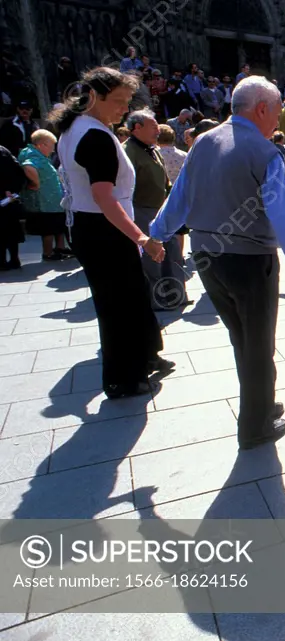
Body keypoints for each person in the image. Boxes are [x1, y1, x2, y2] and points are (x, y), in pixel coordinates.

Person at [149, 76, 285, 449]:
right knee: (257, 345)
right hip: (250, 261)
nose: (279, 120)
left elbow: (179, 198)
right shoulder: (264, 151)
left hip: (208, 259)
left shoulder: (204, 141)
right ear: (261, 108)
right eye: (276, 112)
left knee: (243, 338)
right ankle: (255, 427)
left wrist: (156, 234)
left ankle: (263, 404)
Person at [51, 67, 172, 398]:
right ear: (93, 97)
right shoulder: (95, 136)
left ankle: (146, 355)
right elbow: (104, 196)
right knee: (118, 305)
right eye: (118, 101)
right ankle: (124, 378)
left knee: (127, 298)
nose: (124, 109)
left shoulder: (73, 129)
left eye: (127, 101)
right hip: (105, 230)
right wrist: (141, 237)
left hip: (90, 226)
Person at [122, 108, 190, 310]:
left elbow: (164, 180)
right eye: (153, 127)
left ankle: (177, 295)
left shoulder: (153, 149)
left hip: (160, 208)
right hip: (141, 209)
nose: (157, 131)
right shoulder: (128, 152)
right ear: (137, 128)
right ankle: (157, 298)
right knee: (153, 257)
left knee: (173, 254)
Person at [18, 129, 70, 261]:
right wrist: (35, 183)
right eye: (51, 146)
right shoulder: (32, 156)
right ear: (42, 145)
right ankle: (48, 253)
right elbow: (28, 167)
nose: (53, 150)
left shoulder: (38, 155)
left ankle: (60, 248)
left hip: (51, 201)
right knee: (48, 228)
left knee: (57, 225)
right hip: (44, 201)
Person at [0, 144, 25, 270]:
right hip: (9, 197)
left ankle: (3, 261)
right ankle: (14, 259)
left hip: (3, 195)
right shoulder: (5, 150)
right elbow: (18, 171)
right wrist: (14, 190)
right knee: (11, 228)